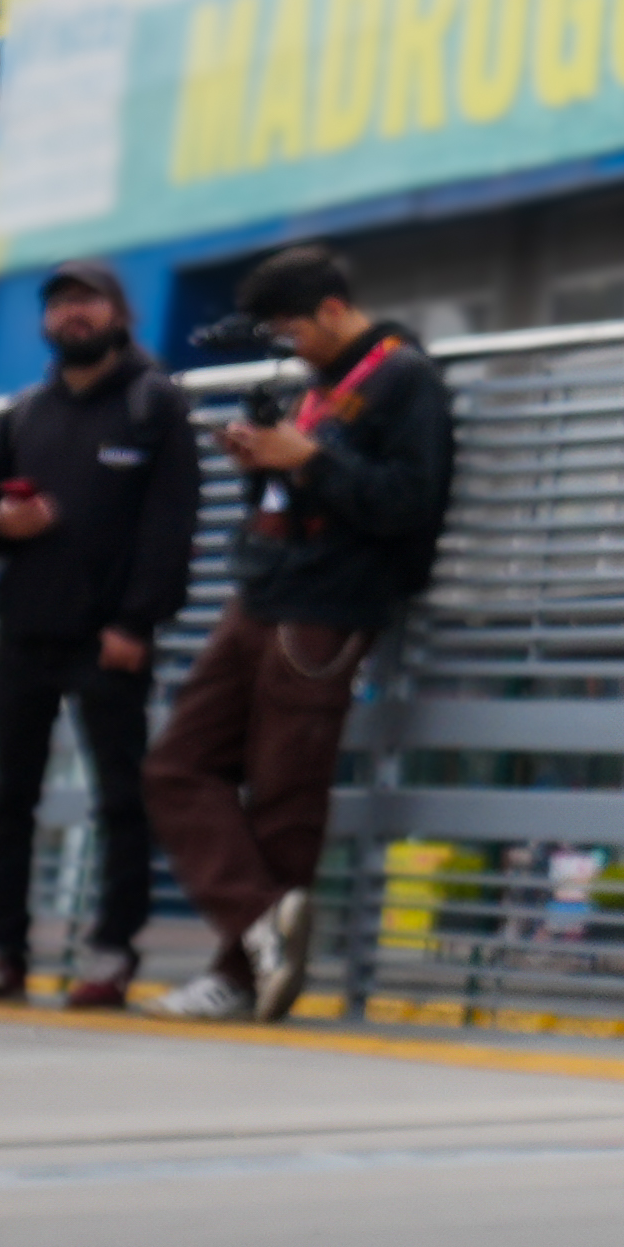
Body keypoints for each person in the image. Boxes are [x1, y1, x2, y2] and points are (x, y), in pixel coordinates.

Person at [144, 243, 453, 1025]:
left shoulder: (404, 378)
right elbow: (314, 477)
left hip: (330, 602)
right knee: (177, 765)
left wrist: (307, 460)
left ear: (331, 309)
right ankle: (258, 925)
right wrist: (264, 460)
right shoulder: (325, 384)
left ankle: (240, 975)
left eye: (292, 330)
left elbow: (410, 502)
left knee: (285, 790)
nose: (288, 346)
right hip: (267, 588)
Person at [0, 263, 199, 1013]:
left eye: (87, 302)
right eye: (58, 306)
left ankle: (111, 954)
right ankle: (0, 954)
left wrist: (137, 622)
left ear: (124, 314)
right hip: (24, 632)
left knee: (120, 799)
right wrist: (1, 526)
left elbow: (170, 528)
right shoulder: (24, 414)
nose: (71, 316)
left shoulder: (155, 405)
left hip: (108, 639)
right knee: (7, 797)